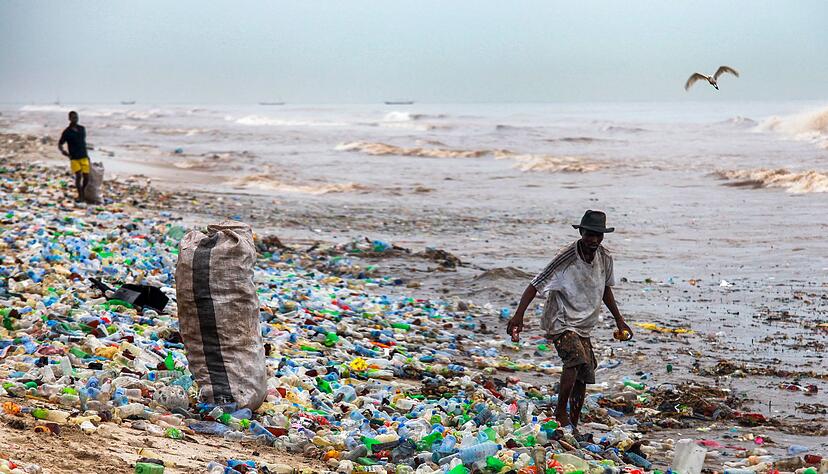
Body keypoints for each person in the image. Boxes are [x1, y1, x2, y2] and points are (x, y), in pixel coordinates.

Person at [506, 210, 632, 433]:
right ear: (581, 232)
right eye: (590, 234)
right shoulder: (567, 257)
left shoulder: (605, 257)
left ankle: (573, 422)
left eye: (598, 236)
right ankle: (560, 412)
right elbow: (536, 284)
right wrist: (518, 316)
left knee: (585, 372)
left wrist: (619, 320)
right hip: (561, 319)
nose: (593, 240)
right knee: (575, 359)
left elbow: (605, 290)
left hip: (584, 323)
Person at [58, 111, 90, 202]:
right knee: (79, 176)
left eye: (76, 117)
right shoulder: (67, 132)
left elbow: (83, 143)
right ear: (69, 119)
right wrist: (63, 151)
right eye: (73, 118)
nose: (75, 119)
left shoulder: (82, 129)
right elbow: (60, 143)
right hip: (74, 158)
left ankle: (82, 192)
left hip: (84, 156)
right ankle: (81, 196)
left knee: (86, 177)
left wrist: (88, 155)